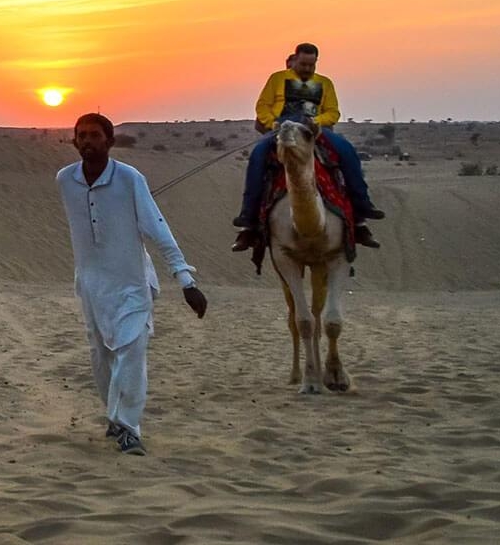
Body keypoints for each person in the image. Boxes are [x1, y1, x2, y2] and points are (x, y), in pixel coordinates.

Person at [57, 112, 207, 456]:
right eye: (81, 136)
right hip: (92, 286)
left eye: (95, 135)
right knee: (101, 356)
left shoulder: (129, 178)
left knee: (132, 351)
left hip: (132, 284)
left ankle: (128, 426)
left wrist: (185, 279)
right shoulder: (65, 180)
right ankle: (114, 418)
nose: (87, 141)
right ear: (74, 141)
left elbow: (157, 226)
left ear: (110, 142)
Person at [232, 43, 383, 251]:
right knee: (258, 156)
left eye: (311, 65)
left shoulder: (325, 83)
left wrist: (317, 122)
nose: (307, 69)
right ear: (295, 59)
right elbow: (262, 106)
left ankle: (361, 212)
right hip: (282, 126)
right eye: (303, 64)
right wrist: (272, 123)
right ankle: (248, 221)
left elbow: (333, 112)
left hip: (314, 128)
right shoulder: (277, 79)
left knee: (348, 152)